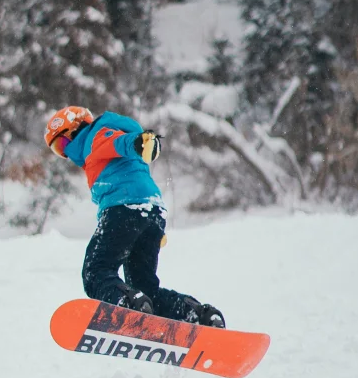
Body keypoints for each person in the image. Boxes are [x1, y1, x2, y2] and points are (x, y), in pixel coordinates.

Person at [45, 106, 225, 328]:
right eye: (56, 150)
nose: (64, 154)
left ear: (74, 130)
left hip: (124, 209)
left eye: (61, 145)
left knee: (95, 272)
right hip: (152, 211)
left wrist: (140, 143)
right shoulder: (99, 145)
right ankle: (200, 316)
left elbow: (120, 142)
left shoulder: (95, 136)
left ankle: (128, 307)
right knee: (145, 287)